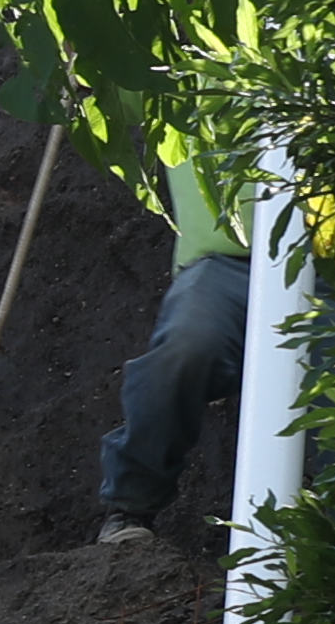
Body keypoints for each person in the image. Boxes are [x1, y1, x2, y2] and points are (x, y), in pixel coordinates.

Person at [93, 144, 251, 547]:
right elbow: (102, 88)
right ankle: (131, 504)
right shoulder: (177, 81)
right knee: (186, 346)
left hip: (332, 270)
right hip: (222, 263)